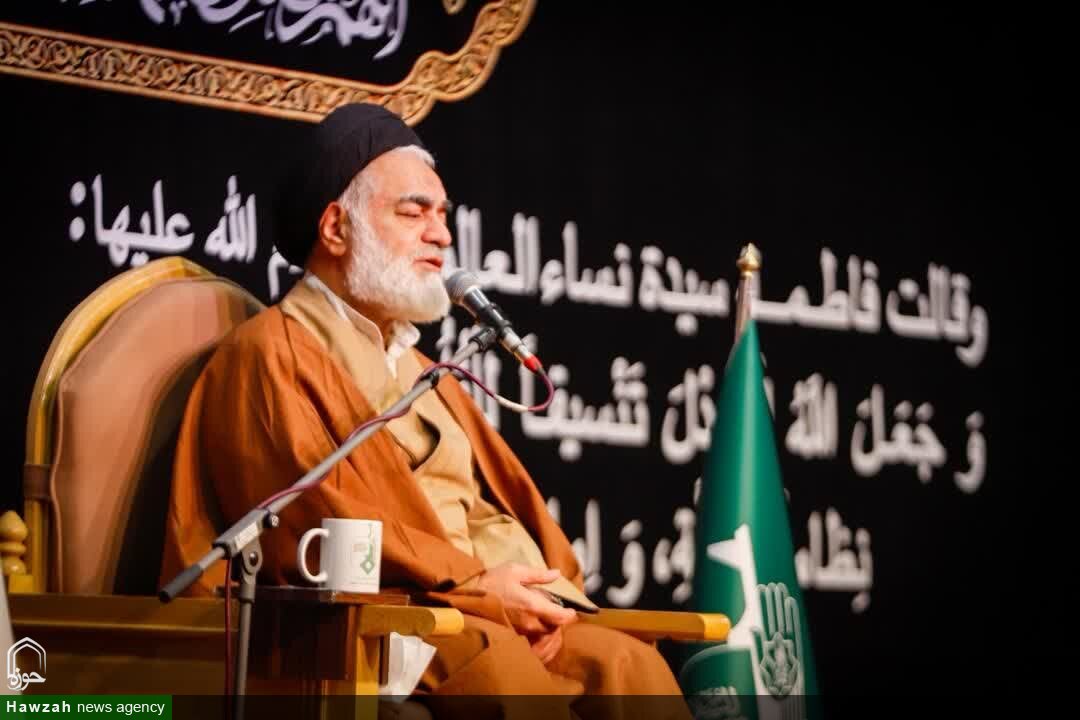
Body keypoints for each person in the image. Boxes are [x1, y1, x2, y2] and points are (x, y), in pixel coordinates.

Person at [160, 103, 691, 719]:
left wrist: (535, 594)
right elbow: (314, 524)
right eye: (414, 213)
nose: (441, 235)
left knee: (629, 666)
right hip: (374, 618)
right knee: (499, 668)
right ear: (335, 228)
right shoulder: (269, 354)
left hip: (476, 604)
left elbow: (485, 508)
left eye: (443, 215)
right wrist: (477, 591)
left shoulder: (420, 369)